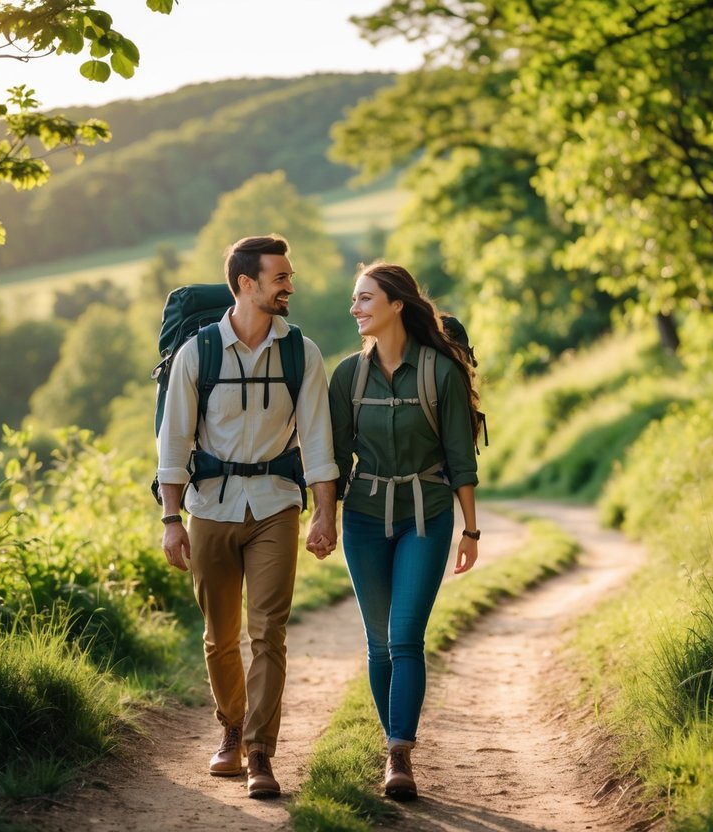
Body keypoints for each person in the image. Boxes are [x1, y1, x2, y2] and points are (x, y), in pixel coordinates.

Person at [157, 235, 339, 799]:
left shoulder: (300, 352)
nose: (289, 285)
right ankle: (230, 729)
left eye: (288, 276)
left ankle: (260, 751)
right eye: (279, 277)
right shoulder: (199, 351)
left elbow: (318, 439)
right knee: (220, 636)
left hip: (277, 508)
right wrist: (170, 519)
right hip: (210, 507)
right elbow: (174, 440)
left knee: (268, 633)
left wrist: (324, 515)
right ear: (245, 284)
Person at [323, 261, 482, 801]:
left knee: (406, 637)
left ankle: (398, 756)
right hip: (364, 518)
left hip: (427, 515)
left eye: (366, 298)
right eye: (354, 299)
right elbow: (336, 458)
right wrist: (323, 516)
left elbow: (461, 457)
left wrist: (472, 531)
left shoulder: (440, 373)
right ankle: (393, 742)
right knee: (378, 642)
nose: (356, 309)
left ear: (396, 304)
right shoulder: (347, 376)